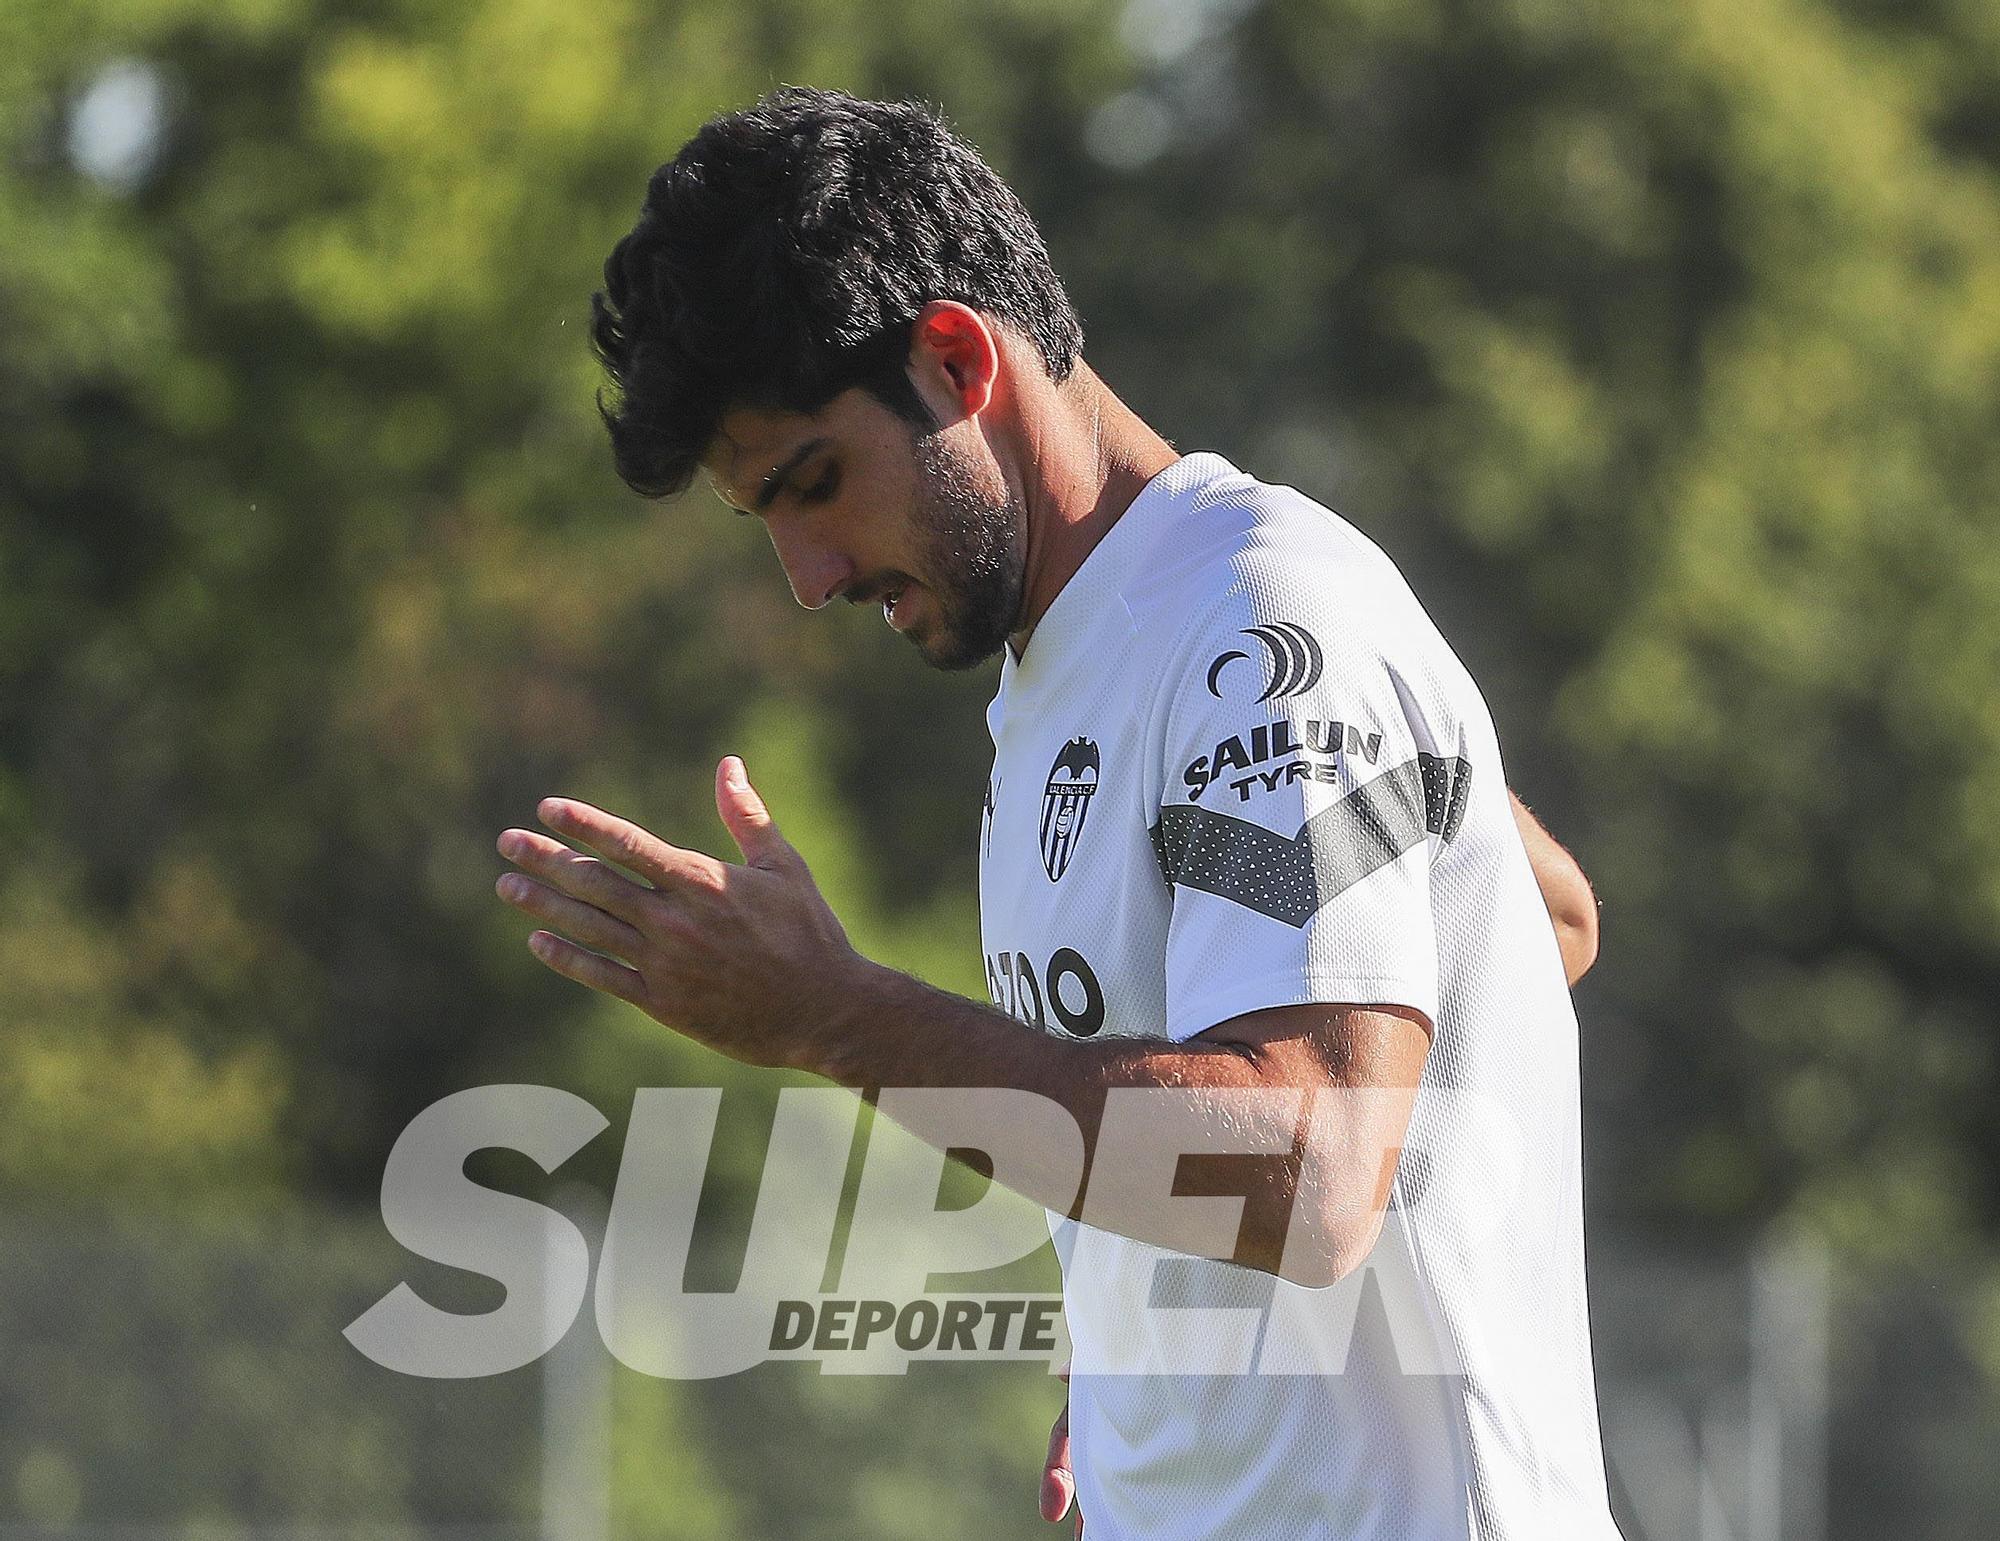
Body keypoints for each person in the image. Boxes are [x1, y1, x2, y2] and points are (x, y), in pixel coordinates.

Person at [497, 86, 1619, 1538]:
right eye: (764, 519)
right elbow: (1539, 915)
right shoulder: (1065, 685)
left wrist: (837, 1015)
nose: (808, 575)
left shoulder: (1260, 623)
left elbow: (1316, 1171)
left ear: (957, 359)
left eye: (815, 484)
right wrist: (1125, 1379)